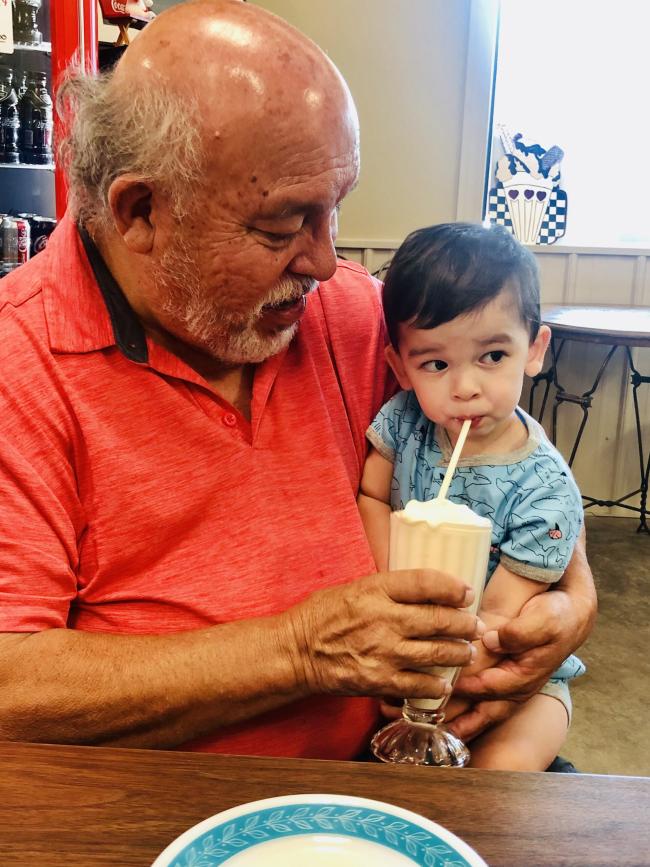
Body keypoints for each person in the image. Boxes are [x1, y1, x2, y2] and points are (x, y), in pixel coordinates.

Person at [0, 0, 596, 759]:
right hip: (162, 811)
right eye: (281, 227)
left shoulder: (350, 314)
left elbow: (507, 460)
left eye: (335, 212)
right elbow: (11, 685)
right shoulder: (21, 363)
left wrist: (574, 599)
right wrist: (301, 651)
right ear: (140, 211)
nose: (324, 262)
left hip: (390, 774)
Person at [358, 223, 586, 770]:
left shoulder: (546, 490)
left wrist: (436, 682)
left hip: (505, 669)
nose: (464, 387)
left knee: (493, 783)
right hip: (414, 649)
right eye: (435, 363)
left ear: (534, 350)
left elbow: (501, 617)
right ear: (400, 368)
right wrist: (393, 597)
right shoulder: (403, 423)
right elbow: (371, 496)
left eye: (492, 356)